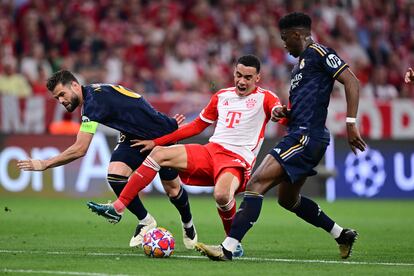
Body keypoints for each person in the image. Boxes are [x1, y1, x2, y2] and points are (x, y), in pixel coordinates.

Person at [194, 12, 367, 261]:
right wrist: (286, 112)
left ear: (298, 34)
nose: (284, 45)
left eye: (285, 39)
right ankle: (342, 234)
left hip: (305, 136)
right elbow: (308, 101)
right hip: (301, 133)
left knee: (255, 185)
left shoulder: (319, 52)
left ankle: (228, 248)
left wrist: (351, 123)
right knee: (288, 200)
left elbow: (351, 81)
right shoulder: (300, 64)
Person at [87, 55, 284, 257]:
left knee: (222, 195)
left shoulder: (266, 97)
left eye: (248, 78)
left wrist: (279, 112)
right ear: (233, 73)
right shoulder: (222, 96)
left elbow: (278, 110)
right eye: (238, 75)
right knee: (159, 154)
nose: (242, 81)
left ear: (257, 78)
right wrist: (157, 142)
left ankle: (232, 243)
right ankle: (118, 208)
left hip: (237, 159)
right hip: (211, 151)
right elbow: (197, 126)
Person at [17, 70, 192, 249]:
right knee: (115, 175)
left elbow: (80, 149)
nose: (61, 101)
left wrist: (45, 163)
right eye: (57, 98)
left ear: (75, 86)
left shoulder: (93, 102)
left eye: (62, 94)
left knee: (172, 190)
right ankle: (146, 221)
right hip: (133, 138)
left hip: (161, 136)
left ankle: (188, 225)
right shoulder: (93, 96)